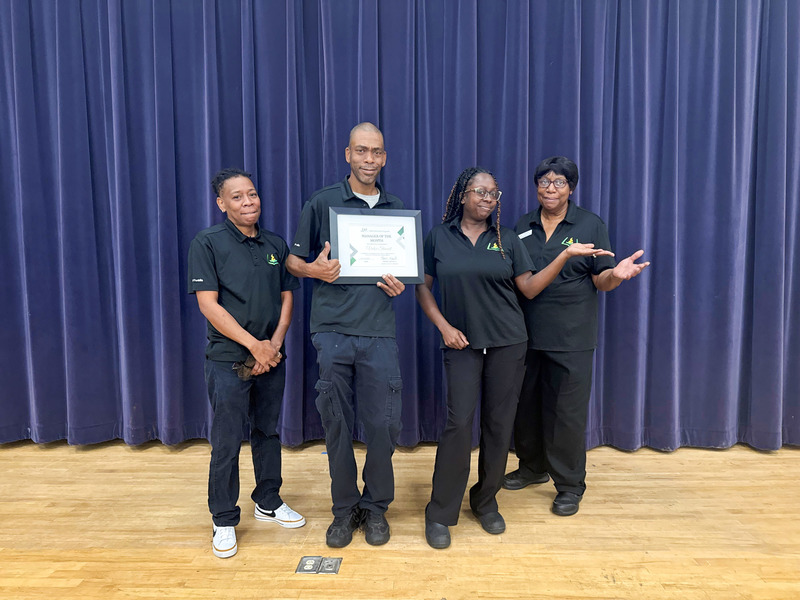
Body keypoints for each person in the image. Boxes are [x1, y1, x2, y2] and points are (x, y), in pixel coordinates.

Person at [415, 166, 613, 549]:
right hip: (460, 345)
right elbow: (423, 287)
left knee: (498, 426)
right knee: (458, 425)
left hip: (508, 343)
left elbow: (530, 288)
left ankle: (486, 502)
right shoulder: (439, 236)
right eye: (480, 191)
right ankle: (440, 512)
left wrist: (564, 255)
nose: (488, 199)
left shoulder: (507, 238)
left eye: (494, 193)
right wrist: (443, 327)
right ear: (462, 195)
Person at [504, 156, 650, 517]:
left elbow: (602, 280)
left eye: (559, 182)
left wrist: (616, 275)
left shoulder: (590, 224)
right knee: (526, 408)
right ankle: (532, 467)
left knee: (566, 415)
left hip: (572, 337)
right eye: (544, 181)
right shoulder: (522, 225)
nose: (550, 188)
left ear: (571, 188)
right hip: (525, 334)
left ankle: (570, 485)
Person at [286, 123, 406, 548]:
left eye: (376, 151)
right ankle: (344, 509)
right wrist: (313, 270)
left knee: (384, 425)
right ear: (348, 154)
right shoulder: (322, 202)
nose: (369, 159)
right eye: (361, 151)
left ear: (384, 157)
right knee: (335, 423)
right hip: (332, 331)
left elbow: (403, 267)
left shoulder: (396, 208)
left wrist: (400, 283)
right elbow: (292, 261)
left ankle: (375, 508)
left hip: (379, 333)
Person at [188, 167, 305, 559]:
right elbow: (209, 305)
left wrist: (274, 344)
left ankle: (268, 500)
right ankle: (223, 518)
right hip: (228, 359)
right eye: (237, 196)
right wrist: (254, 346)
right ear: (221, 204)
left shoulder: (275, 244)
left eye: (252, 194)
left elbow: (287, 296)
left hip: (271, 357)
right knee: (226, 441)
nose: (248, 202)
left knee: (267, 432)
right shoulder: (207, 243)